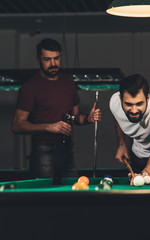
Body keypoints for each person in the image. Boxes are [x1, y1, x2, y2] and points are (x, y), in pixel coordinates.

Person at [11, 38, 102, 178]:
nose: (53, 63)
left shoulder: (68, 81)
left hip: (67, 152)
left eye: (56, 58)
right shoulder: (30, 87)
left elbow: (76, 117)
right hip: (43, 152)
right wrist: (48, 127)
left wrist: (88, 118)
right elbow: (17, 126)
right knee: (45, 197)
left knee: (74, 193)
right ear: (38, 59)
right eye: (47, 59)